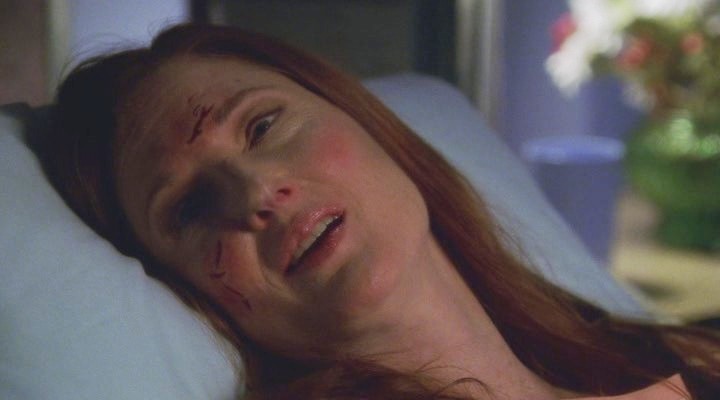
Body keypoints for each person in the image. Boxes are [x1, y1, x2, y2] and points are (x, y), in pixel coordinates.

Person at [42, 23, 719, 399]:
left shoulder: (673, 356)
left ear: (366, 123)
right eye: (190, 208)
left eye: (261, 126)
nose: (254, 195)